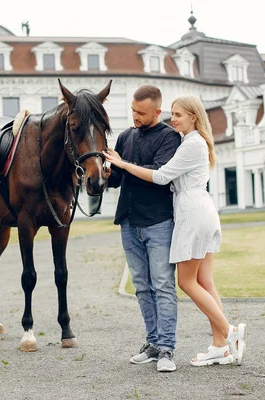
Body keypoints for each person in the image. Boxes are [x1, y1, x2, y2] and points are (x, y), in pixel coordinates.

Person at [104, 95, 247, 367]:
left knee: (185, 282)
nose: (174, 120)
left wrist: (122, 164)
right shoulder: (189, 141)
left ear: (193, 116)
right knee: (205, 281)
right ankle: (220, 346)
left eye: (178, 114)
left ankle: (230, 333)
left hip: (192, 212)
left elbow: (160, 176)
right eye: (172, 114)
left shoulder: (190, 143)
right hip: (198, 208)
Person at [107, 85, 181, 372]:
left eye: (141, 112)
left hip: (159, 222)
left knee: (163, 285)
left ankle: (166, 349)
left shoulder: (169, 138)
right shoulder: (126, 136)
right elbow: (116, 180)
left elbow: (158, 176)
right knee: (141, 287)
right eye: (133, 111)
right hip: (128, 221)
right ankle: (151, 344)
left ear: (156, 111)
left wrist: (122, 163)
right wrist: (107, 171)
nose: (135, 116)